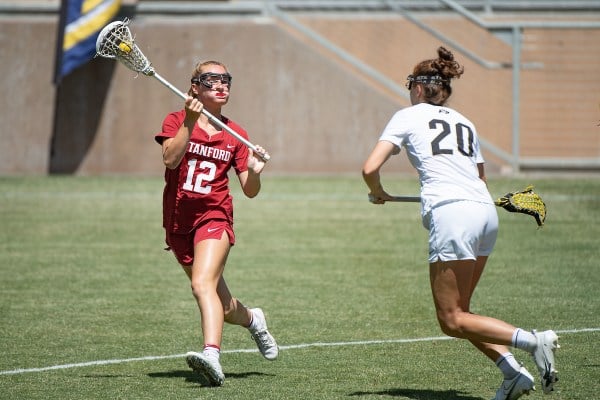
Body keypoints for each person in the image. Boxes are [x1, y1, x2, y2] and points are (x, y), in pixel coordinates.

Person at [362, 47, 559, 400]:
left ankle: (533, 341)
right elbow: (479, 180)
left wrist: (378, 192)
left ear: (418, 88)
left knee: (451, 320)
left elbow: (369, 168)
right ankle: (512, 373)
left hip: (453, 215)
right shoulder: (465, 121)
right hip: (484, 212)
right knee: (463, 312)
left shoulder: (407, 116)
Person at [155, 60, 278, 387]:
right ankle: (254, 319)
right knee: (222, 307)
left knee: (200, 286)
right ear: (194, 87)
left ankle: (211, 354)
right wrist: (191, 121)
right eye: (211, 80)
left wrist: (255, 171)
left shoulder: (236, 133)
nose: (221, 86)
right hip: (179, 223)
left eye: (226, 80)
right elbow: (170, 159)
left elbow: (250, 191)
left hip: (214, 217)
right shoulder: (176, 120)